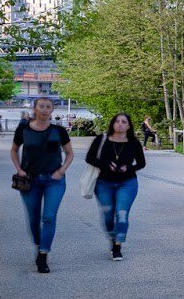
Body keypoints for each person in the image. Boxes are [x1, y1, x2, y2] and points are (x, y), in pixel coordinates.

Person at [11, 96, 75, 274]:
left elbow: (69, 154)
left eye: (48, 107)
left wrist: (61, 171)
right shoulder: (23, 129)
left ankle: (43, 255)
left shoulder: (59, 131)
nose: (45, 109)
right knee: (33, 219)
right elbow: (14, 150)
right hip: (29, 180)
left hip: (54, 180)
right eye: (41, 106)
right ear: (35, 108)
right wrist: (19, 169)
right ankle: (40, 244)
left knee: (48, 217)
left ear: (52, 110)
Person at [86, 112, 147, 260]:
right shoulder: (102, 139)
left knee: (121, 213)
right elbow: (89, 158)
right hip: (103, 183)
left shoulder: (133, 142)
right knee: (108, 215)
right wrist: (106, 164)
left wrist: (129, 168)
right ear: (112, 123)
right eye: (117, 121)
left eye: (124, 122)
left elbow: (141, 163)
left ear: (128, 126)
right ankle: (113, 239)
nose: (120, 124)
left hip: (127, 183)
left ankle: (117, 246)